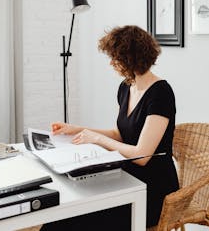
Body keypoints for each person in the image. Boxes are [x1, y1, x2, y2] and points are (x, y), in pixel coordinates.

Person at [50, 25, 179, 230]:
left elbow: (142, 155)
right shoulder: (126, 87)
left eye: (115, 57)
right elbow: (119, 134)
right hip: (125, 177)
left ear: (131, 58)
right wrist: (77, 129)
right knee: (62, 217)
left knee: (77, 221)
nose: (111, 63)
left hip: (153, 189)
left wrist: (97, 139)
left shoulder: (161, 93)